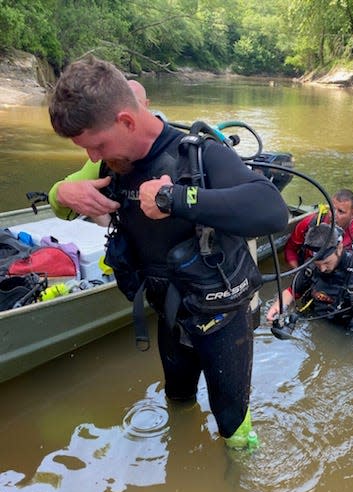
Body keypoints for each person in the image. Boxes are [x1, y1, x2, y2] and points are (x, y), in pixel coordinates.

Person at [48, 56, 289, 448]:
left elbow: (271, 210)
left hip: (221, 318)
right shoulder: (112, 162)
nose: (92, 159)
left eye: (96, 145)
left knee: (232, 424)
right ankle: (180, 463)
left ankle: (242, 487)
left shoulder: (198, 154)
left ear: (126, 121)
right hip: (170, 315)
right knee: (177, 400)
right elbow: (61, 202)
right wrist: (62, 191)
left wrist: (173, 197)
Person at [48, 79, 151, 226]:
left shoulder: (181, 152)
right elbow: (58, 198)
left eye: (136, 105)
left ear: (146, 105)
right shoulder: (107, 155)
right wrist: (61, 193)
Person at [284, 188, 353, 269]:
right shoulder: (310, 223)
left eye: (341, 211)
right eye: (331, 209)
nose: (333, 215)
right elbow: (290, 249)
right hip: (312, 271)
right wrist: (298, 272)